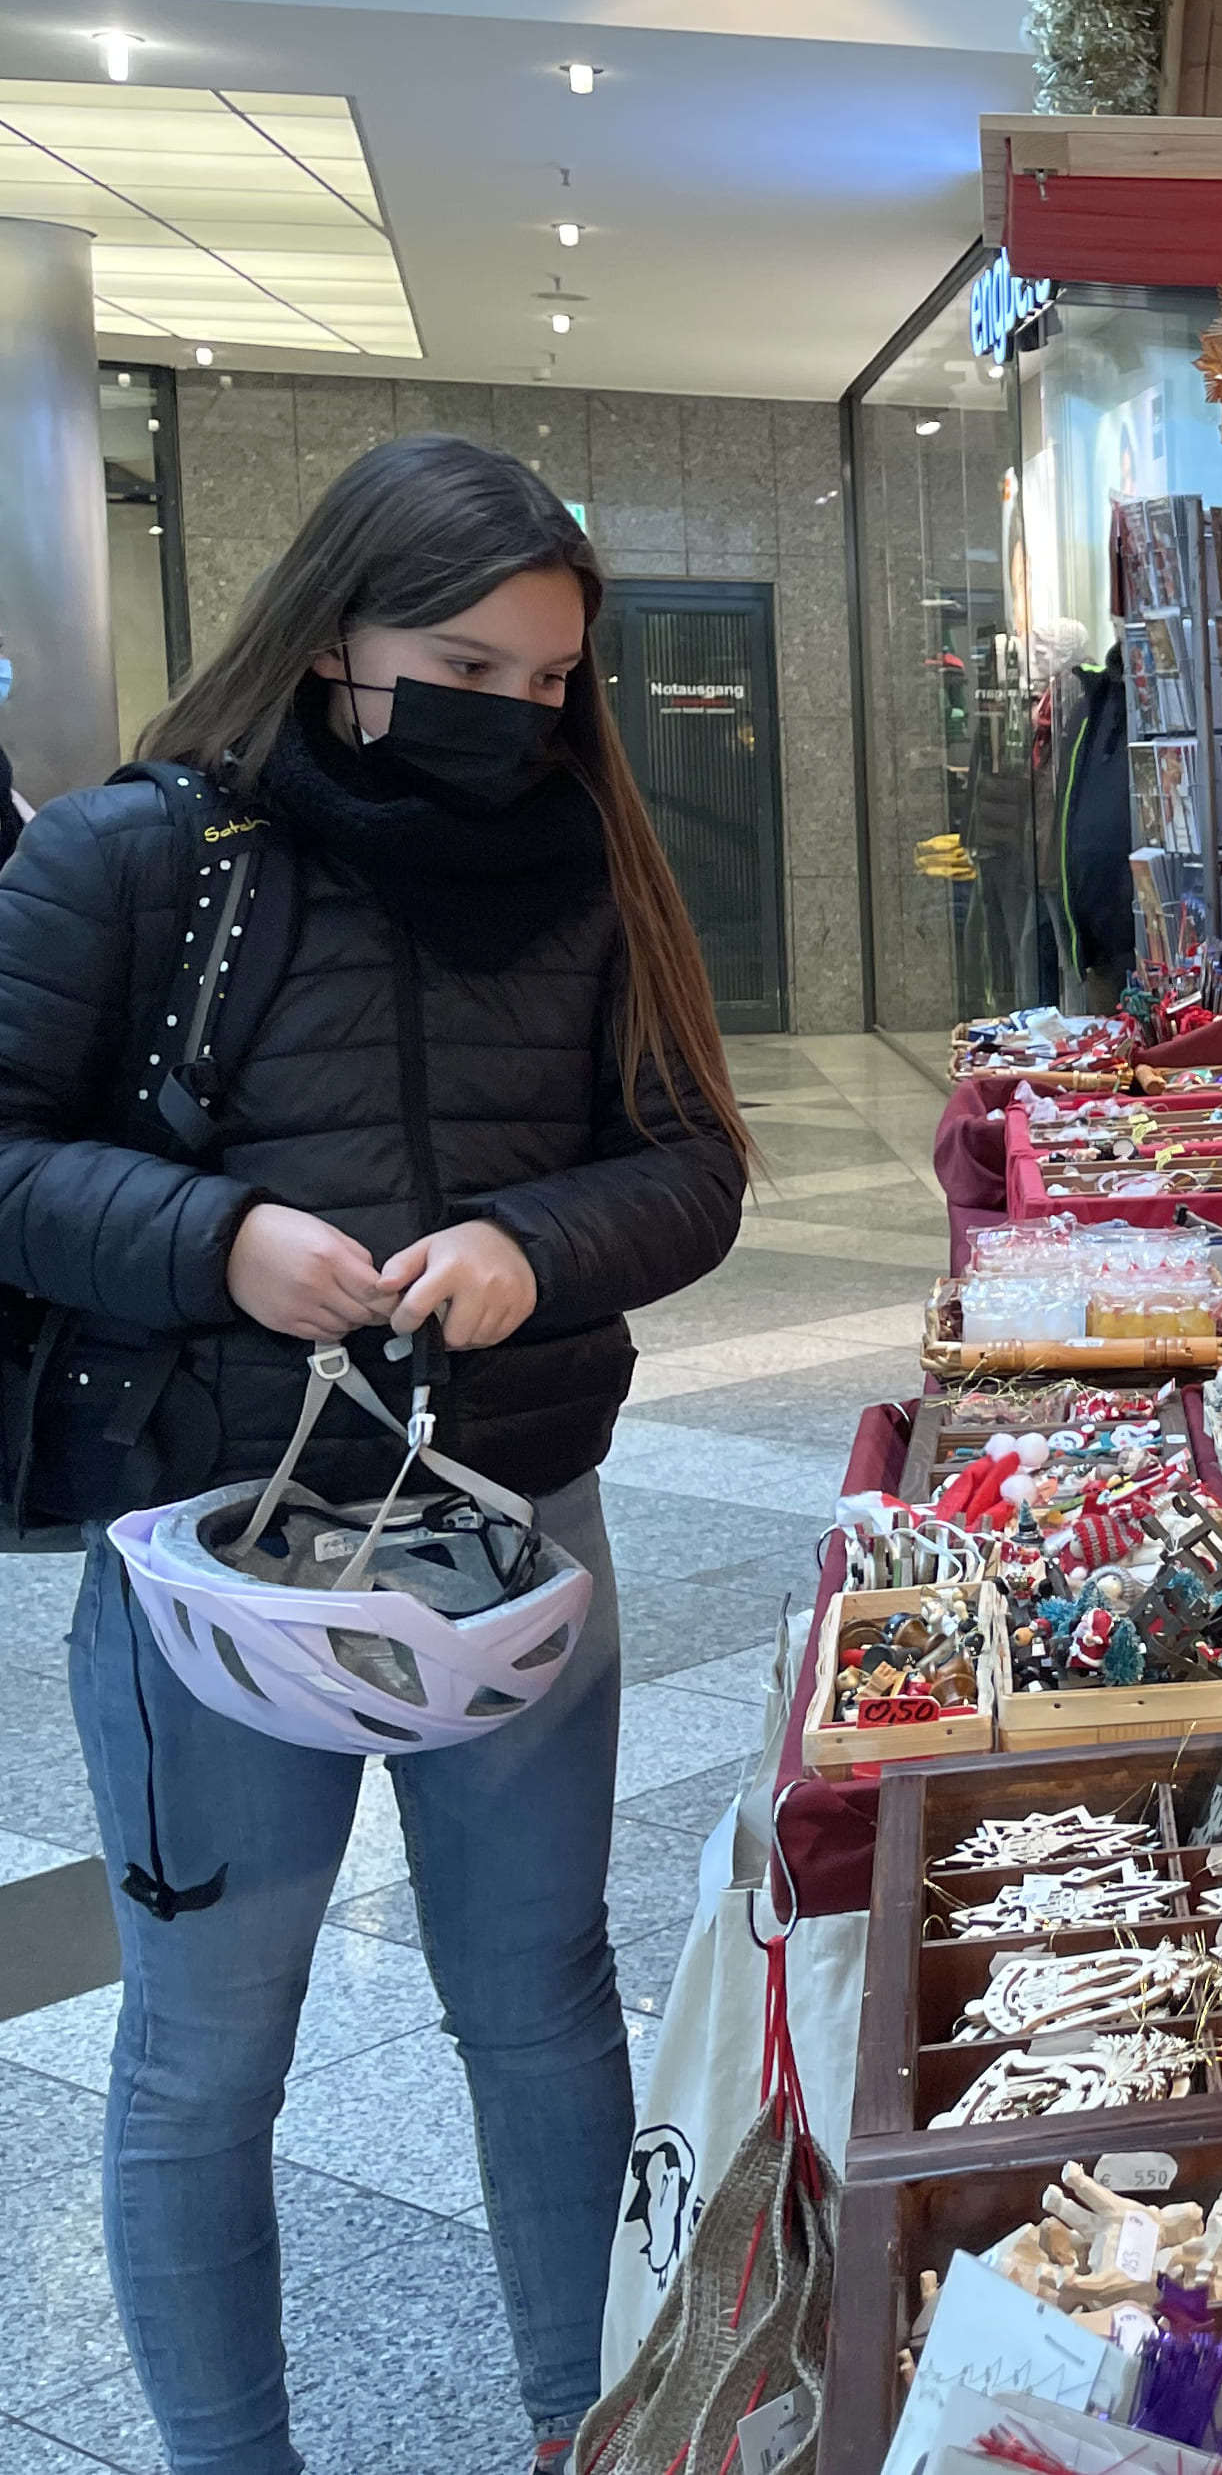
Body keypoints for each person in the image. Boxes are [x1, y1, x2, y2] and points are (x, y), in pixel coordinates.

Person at [0, 434, 751, 2475]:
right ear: (334, 632)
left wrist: (530, 1243)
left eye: (548, 679)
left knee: (542, 1998)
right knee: (205, 2047)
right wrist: (219, 1238)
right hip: (217, 1546)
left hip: (508, 1525)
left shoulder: (591, 861)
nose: (513, 714)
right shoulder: (137, 857)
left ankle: (588, 2422)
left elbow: (690, 1163)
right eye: (465, 666)